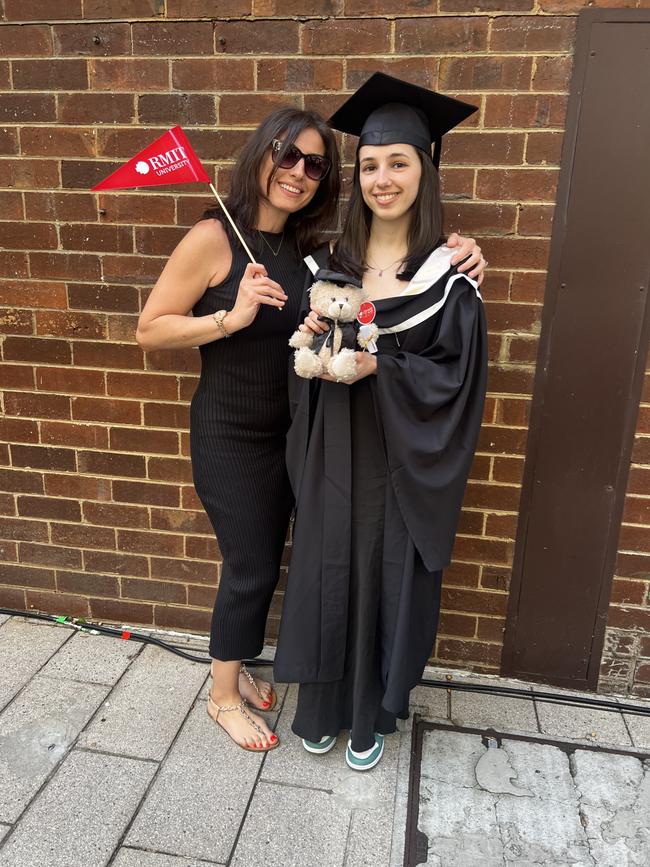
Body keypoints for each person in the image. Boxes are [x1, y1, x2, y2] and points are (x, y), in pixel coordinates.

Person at [136, 102, 486, 754]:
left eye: (314, 163)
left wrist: (464, 250)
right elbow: (149, 328)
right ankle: (221, 695)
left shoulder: (306, 250)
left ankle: (241, 674)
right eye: (285, 155)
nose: (296, 171)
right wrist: (229, 319)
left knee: (286, 562)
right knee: (250, 564)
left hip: (297, 438)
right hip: (234, 433)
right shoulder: (217, 235)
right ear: (259, 156)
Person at [274, 74, 488, 771]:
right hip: (335, 455)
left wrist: (384, 368)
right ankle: (322, 706)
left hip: (401, 466)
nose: (382, 178)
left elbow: (456, 383)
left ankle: (370, 715)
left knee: (386, 577)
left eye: (399, 162)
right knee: (327, 569)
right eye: (369, 164)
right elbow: (303, 368)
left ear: (427, 169)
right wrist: (310, 337)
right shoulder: (329, 267)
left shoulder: (448, 278)